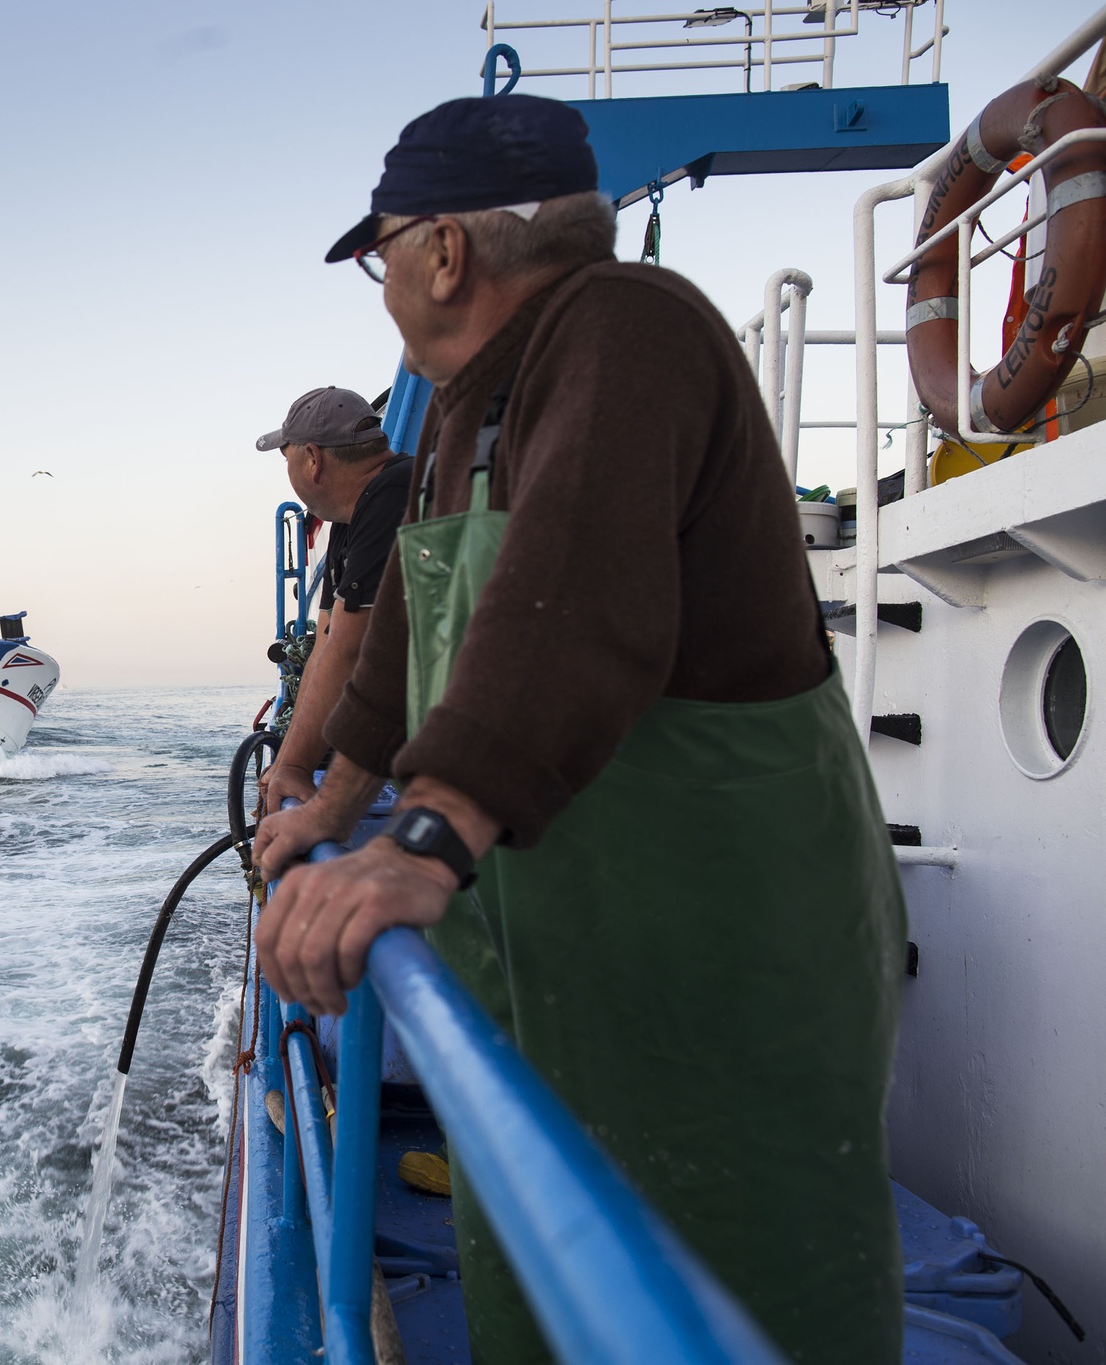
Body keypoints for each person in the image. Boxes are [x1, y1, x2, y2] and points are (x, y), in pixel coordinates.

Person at [252, 93, 906, 1364]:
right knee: (543, 1242)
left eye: (378, 253)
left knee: (740, 1261)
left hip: (722, 935)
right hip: (559, 943)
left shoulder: (625, 328)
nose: (381, 284)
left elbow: (577, 594)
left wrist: (421, 842)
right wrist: (334, 805)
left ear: (442, 250)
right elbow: (399, 638)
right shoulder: (454, 415)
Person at [253, 386, 415, 808]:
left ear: (312, 458)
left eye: (286, 459)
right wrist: (287, 762)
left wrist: (295, 768)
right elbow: (325, 638)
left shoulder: (396, 493)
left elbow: (349, 648)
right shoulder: (353, 512)